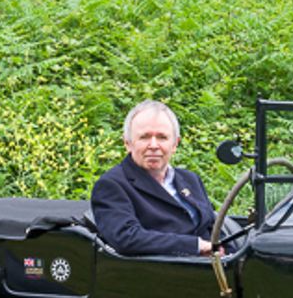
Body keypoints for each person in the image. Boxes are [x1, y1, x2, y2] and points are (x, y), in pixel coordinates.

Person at [90, 100, 217, 256]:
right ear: (128, 143)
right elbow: (126, 238)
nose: (154, 145)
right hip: (159, 274)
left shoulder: (191, 179)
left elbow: (212, 227)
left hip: (213, 270)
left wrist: (228, 253)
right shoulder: (112, 185)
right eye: (144, 137)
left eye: (162, 137)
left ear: (175, 144)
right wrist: (195, 246)